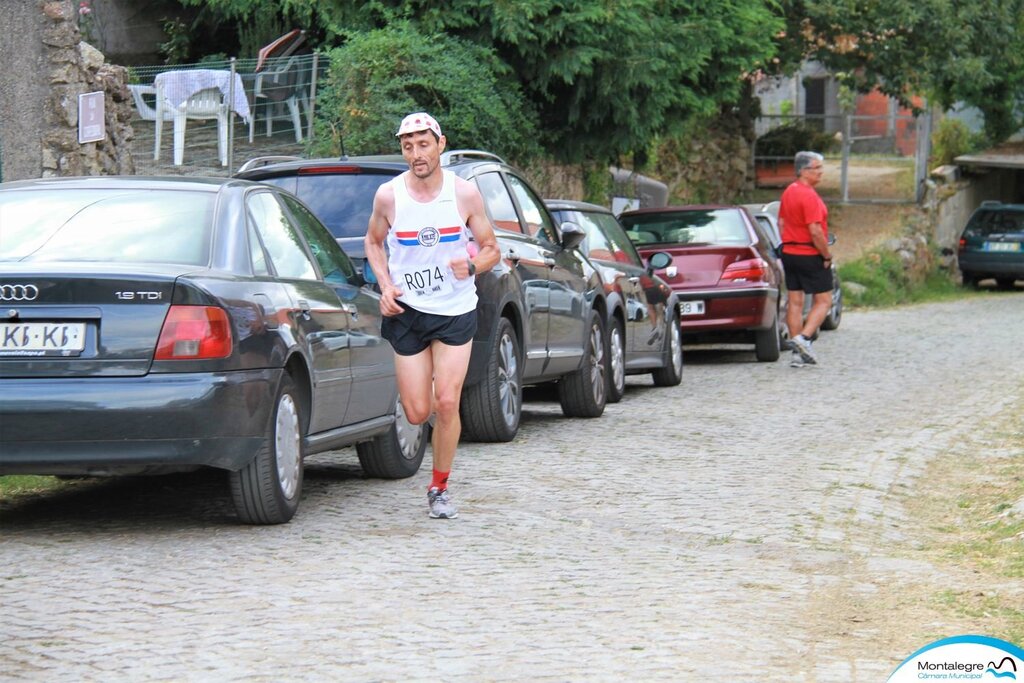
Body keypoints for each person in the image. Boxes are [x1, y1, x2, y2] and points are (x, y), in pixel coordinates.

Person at [364, 112, 500, 519]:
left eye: (423, 144)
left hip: (455, 310)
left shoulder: (464, 194)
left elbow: (492, 248)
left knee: (446, 402)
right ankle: (419, 404)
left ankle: (439, 487)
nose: (416, 153)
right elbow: (373, 243)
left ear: (440, 144)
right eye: (408, 146)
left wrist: (472, 267)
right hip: (408, 311)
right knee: (417, 412)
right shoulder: (389, 196)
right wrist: (385, 286)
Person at [778, 150, 833, 368]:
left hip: (789, 252)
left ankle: (797, 355)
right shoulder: (809, 195)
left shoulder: (789, 192)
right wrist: (826, 254)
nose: (821, 172)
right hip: (809, 253)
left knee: (795, 301)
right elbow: (815, 230)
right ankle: (804, 338)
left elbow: (781, 223)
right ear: (803, 171)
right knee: (824, 300)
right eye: (816, 168)